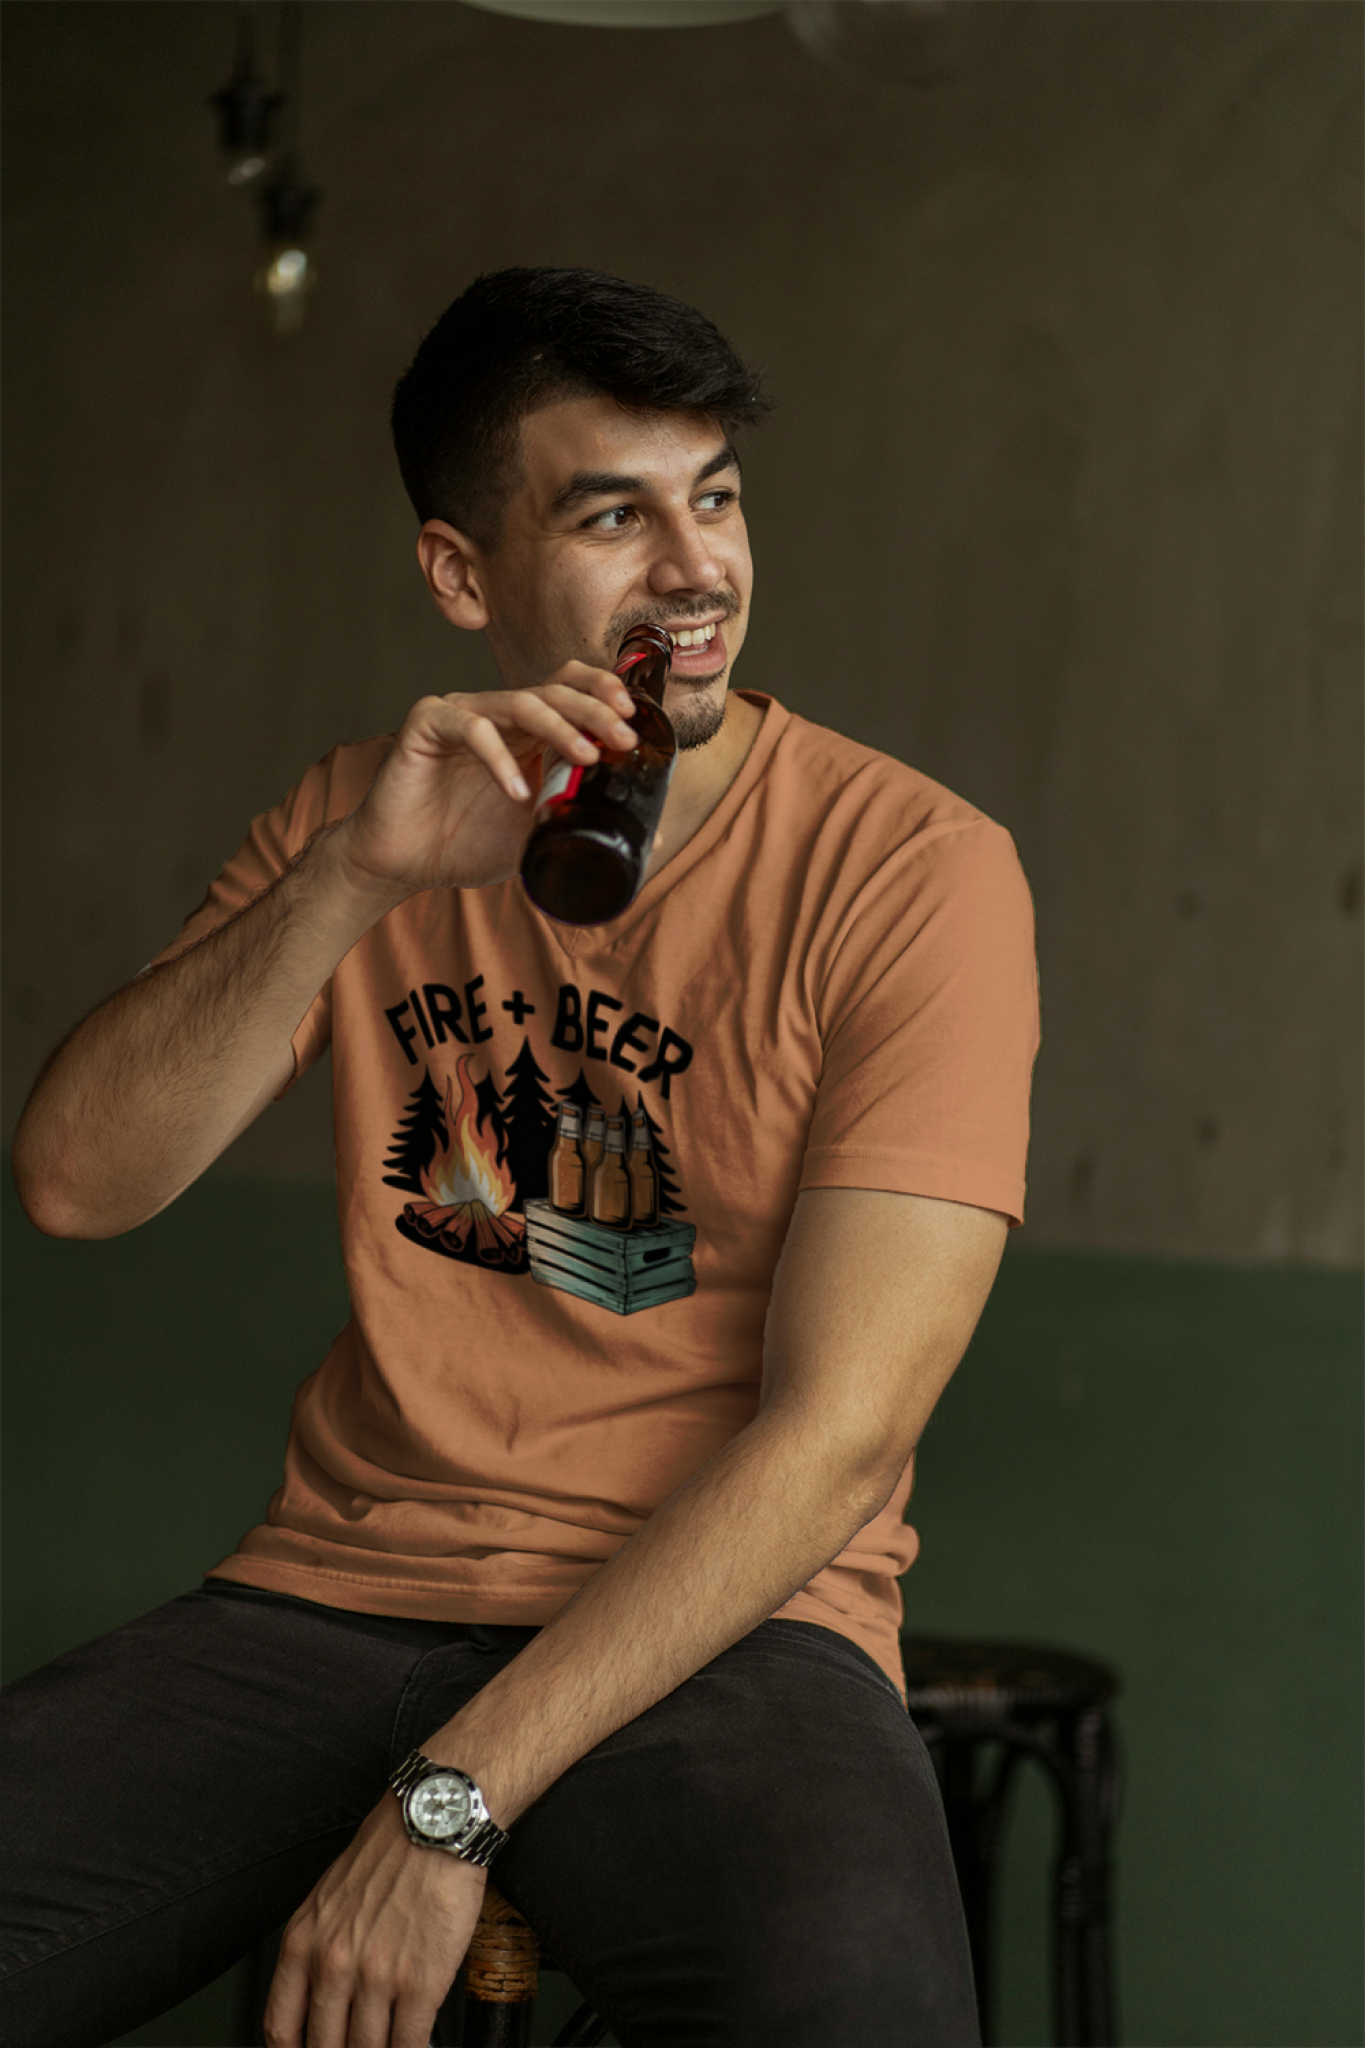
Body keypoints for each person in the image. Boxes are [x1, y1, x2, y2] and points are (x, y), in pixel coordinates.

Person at [6, 267, 1038, 2048]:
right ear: (461, 574)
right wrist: (359, 880)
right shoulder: (370, 815)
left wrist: (448, 1802)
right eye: (616, 514)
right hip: (341, 1589)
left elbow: (838, 1439)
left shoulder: (912, 869)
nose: (696, 567)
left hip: (735, 1624)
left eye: (714, 496)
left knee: (857, 2017)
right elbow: (79, 1181)